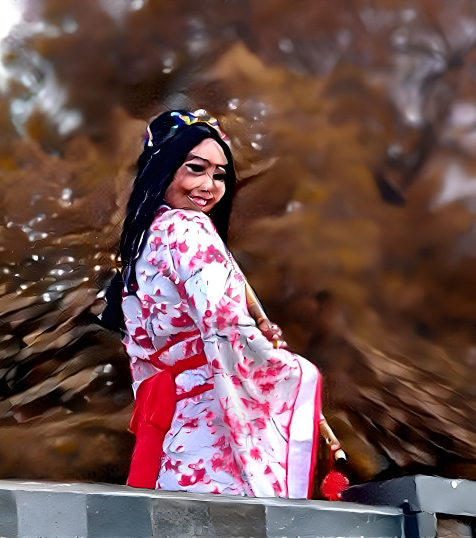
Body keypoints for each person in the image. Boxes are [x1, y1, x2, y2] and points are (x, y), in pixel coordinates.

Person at [103, 109, 325, 498]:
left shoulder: (143, 243)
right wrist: (280, 367)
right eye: (196, 169)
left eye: (219, 175)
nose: (209, 185)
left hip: (173, 423)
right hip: (214, 415)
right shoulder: (190, 227)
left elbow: (143, 351)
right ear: (165, 168)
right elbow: (225, 324)